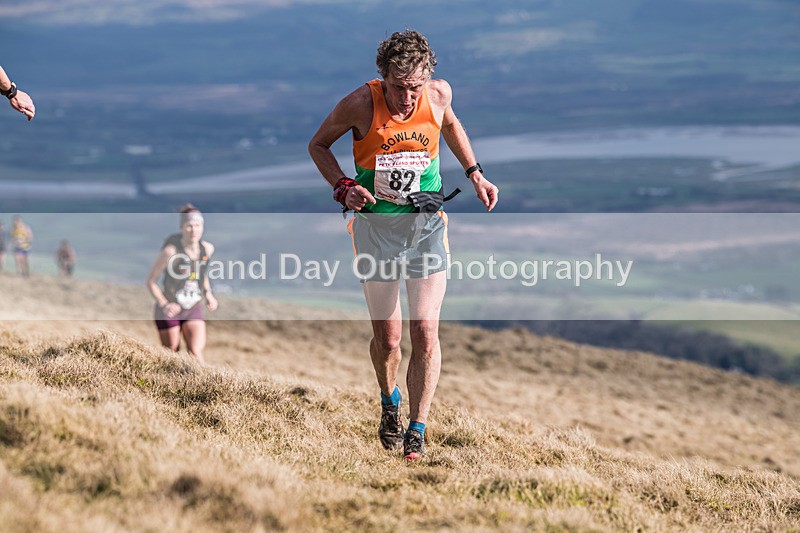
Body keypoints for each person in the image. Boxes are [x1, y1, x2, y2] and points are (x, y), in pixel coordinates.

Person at [309, 30, 499, 461]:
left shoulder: (438, 94)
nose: (408, 99)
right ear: (383, 78)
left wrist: (474, 172)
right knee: (390, 339)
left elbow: (448, 122)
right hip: (376, 231)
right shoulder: (360, 103)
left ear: (427, 79)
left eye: (415, 87)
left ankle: (417, 428)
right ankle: (389, 401)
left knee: (425, 331)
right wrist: (342, 187)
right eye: (399, 89)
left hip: (426, 227)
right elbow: (317, 145)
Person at [146, 204, 218, 364]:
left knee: (196, 352)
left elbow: (202, 274)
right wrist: (165, 304)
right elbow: (151, 281)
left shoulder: (207, 249)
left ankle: (202, 385)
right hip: (170, 309)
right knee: (172, 351)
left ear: (203, 227)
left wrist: (208, 293)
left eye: (197, 226)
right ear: (182, 227)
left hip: (192, 306)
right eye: (189, 226)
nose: (193, 230)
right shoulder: (170, 252)